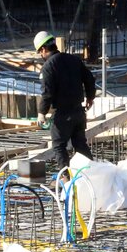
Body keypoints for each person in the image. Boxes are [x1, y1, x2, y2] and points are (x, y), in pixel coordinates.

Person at [34, 30, 96, 170]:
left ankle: (66, 179)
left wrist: (41, 113)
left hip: (63, 114)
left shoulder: (48, 67)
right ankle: (92, 173)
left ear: (43, 49)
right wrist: (90, 97)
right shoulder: (74, 59)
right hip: (79, 112)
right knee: (80, 144)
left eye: (40, 52)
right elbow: (89, 78)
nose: (41, 55)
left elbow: (47, 93)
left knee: (58, 146)